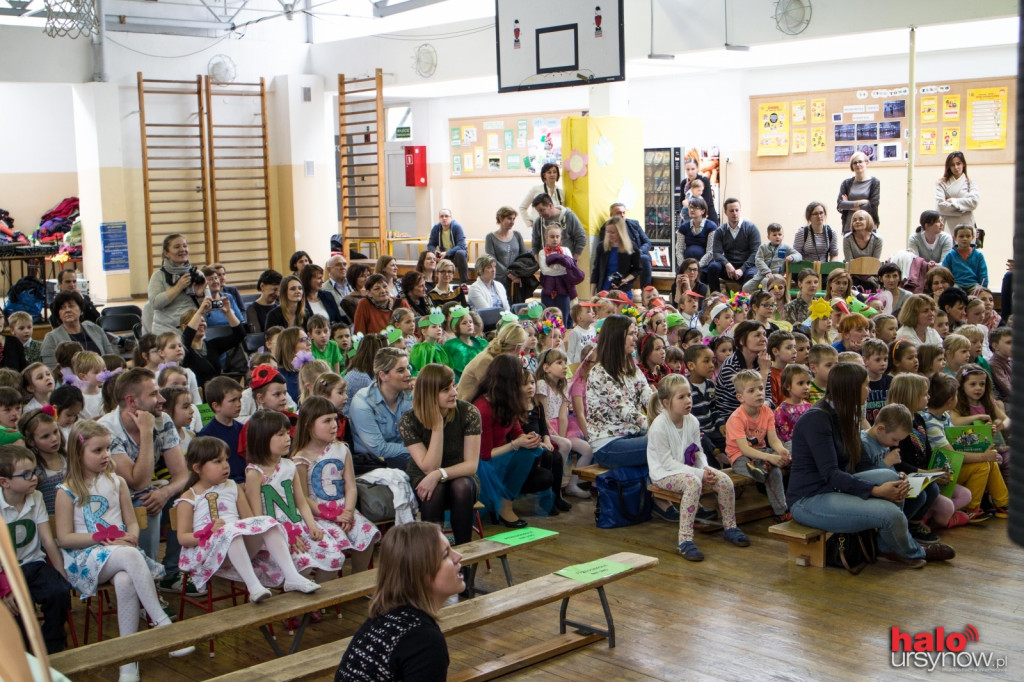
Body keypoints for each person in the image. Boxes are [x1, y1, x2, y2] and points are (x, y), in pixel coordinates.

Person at [56, 421, 196, 681]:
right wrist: (105, 537)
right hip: (85, 559)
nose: (106, 455)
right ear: (78, 453)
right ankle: (165, 628)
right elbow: (64, 538)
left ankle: (128, 665)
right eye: (97, 450)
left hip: (119, 554)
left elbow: (130, 520)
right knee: (129, 556)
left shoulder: (117, 481)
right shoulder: (67, 491)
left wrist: (130, 534)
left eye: (108, 448)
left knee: (125, 581)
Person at [786, 363, 956, 569]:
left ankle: (888, 545)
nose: (870, 390)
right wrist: (874, 490)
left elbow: (859, 463)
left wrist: (894, 478)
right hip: (809, 498)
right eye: (866, 385)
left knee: (890, 478)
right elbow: (830, 474)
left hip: (833, 487)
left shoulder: (845, 413)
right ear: (850, 389)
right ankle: (914, 551)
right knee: (889, 513)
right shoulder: (817, 420)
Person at [175, 436, 321, 602]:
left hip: (239, 547)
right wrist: (208, 532)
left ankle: (292, 577)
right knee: (230, 531)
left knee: (265, 523)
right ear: (197, 468)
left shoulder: (232, 486)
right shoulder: (189, 497)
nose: (225, 465)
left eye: (226, 460)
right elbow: (182, 538)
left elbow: (251, 521)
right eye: (217, 461)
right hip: (208, 554)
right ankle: (254, 586)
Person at [335, 522, 464, 681]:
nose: (458, 556)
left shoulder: (384, 617)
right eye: (446, 555)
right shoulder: (424, 640)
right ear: (421, 572)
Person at [98, 368, 189, 586]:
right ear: (132, 400)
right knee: (146, 501)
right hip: (112, 501)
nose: (162, 399)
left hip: (146, 492)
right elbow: (138, 481)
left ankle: (170, 572)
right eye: (154, 394)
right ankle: (148, 583)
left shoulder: (163, 419)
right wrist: (146, 433)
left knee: (186, 497)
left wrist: (165, 492)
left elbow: (182, 474)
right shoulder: (107, 428)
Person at [646, 376, 749, 560]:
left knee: (724, 480)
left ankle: (730, 527)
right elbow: (667, 463)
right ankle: (685, 541)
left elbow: (698, 451)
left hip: (689, 470)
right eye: (681, 397)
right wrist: (700, 474)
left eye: (689, 395)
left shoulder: (692, 420)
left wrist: (707, 468)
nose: (688, 400)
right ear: (666, 402)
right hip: (664, 474)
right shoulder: (659, 426)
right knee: (693, 483)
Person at [0, 444, 72, 653]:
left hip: (34, 563)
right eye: (26, 474)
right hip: (6, 571)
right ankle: (24, 651)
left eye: (35, 471)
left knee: (59, 591)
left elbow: (48, 540)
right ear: (4, 482)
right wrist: (4, 589)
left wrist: (62, 573)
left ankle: (52, 644)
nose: (35, 477)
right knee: (18, 607)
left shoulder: (36, 497)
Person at [399, 364, 480, 546]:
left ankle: (464, 554)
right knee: (434, 491)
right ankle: (433, 554)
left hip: (459, 472)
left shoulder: (468, 412)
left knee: (462, 487)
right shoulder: (409, 420)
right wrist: (437, 425)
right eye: (445, 389)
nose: (454, 393)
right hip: (423, 474)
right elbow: (428, 467)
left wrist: (439, 474)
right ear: (428, 394)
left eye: (453, 386)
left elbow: (471, 465)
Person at [585, 315, 653, 470]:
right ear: (616, 336)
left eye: (635, 334)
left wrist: (669, 418)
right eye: (631, 334)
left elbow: (649, 397)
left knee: (676, 437)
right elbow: (626, 411)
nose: (635, 339)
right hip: (609, 444)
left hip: (632, 435)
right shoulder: (599, 373)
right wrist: (661, 427)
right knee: (664, 440)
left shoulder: (632, 368)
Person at [349, 347, 414, 470]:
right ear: (383, 375)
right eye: (401, 370)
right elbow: (379, 449)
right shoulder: (362, 402)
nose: (408, 374)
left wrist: (423, 396)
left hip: (406, 456)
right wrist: (417, 448)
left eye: (408, 368)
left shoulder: (411, 395)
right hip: (373, 462)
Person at [714, 321, 772, 428]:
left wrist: (764, 407)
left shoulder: (762, 361)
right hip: (732, 418)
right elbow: (747, 401)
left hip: (757, 415)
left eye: (764, 334)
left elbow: (767, 395)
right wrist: (764, 372)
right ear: (741, 341)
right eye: (757, 335)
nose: (764, 339)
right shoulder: (730, 366)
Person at [42, 291, 116, 367]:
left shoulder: (96, 329)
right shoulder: (51, 338)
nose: (67, 310)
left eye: (71, 306)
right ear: (59, 314)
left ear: (81, 311)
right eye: (62, 308)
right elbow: (52, 370)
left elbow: (111, 359)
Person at [456, 323, 528, 402]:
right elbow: (496, 392)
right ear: (516, 347)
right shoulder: (487, 360)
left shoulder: (496, 356)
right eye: (522, 347)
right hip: (468, 405)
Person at [700, 198, 760, 291]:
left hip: (747, 266)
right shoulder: (720, 230)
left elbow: (755, 253)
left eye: (737, 210)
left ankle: (739, 300)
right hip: (728, 267)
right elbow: (717, 253)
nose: (735, 213)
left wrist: (742, 269)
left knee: (752, 275)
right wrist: (727, 264)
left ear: (740, 211)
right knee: (712, 268)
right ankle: (716, 297)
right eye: (731, 211)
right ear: (725, 212)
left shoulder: (751, 228)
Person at [148, 233, 202, 335]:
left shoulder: (198, 274)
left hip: (194, 329)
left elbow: (207, 308)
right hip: (166, 333)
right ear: (166, 253)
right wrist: (178, 287)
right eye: (177, 247)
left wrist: (200, 295)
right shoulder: (158, 276)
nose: (183, 249)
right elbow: (155, 303)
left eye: (185, 246)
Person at [591, 215, 642, 298]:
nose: (609, 235)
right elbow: (596, 271)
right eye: (607, 232)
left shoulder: (631, 247)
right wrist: (592, 295)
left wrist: (626, 279)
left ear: (620, 232)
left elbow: (637, 269)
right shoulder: (601, 247)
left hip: (623, 290)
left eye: (612, 232)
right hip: (604, 290)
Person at [606, 203, 653, 287]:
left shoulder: (634, 224)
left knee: (644, 258)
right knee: (643, 259)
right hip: (623, 257)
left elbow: (647, 242)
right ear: (611, 215)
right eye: (619, 213)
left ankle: (646, 291)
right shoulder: (608, 228)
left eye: (624, 213)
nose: (622, 215)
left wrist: (638, 252)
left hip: (638, 255)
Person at [530, 193, 585, 259]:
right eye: (538, 211)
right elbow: (535, 244)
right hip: (546, 264)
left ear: (550, 205)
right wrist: (539, 262)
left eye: (542, 210)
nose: (540, 214)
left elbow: (581, 239)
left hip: (567, 263)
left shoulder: (569, 216)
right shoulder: (538, 222)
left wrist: (574, 261)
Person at [936, 151, 980, 233]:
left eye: (958, 163)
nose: (956, 167)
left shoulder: (970, 183)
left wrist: (953, 201)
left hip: (967, 224)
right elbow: (941, 207)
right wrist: (964, 208)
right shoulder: (942, 183)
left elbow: (974, 202)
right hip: (949, 226)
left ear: (963, 164)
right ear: (949, 167)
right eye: (952, 165)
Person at [837, 151, 881, 233]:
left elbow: (872, 206)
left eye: (860, 161)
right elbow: (840, 205)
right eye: (854, 163)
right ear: (852, 166)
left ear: (866, 163)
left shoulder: (874, 182)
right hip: (850, 227)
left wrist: (849, 204)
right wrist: (860, 202)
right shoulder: (846, 183)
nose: (857, 165)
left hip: (869, 227)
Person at [941, 225, 988, 290]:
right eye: (961, 236)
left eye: (968, 236)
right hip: (956, 285)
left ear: (973, 237)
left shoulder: (979, 255)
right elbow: (944, 274)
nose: (965, 239)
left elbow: (983, 274)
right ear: (955, 238)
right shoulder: (950, 255)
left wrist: (982, 287)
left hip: (974, 285)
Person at [427, 209, 469, 282]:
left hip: (457, 256)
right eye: (442, 216)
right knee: (427, 255)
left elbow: (461, 245)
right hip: (443, 255)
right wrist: (435, 252)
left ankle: (463, 282)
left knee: (461, 253)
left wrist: (447, 253)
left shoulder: (457, 227)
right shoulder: (436, 228)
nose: (444, 218)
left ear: (451, 217)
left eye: (446, 216)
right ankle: (430, 281)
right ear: (439, 218)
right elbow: (431, 244)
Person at [518, 162, 564, 228]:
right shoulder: (536, 189)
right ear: (544, 175)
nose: (552, 174)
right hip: (540, 227)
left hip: (556, 229)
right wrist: (530, 223)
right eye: (549, 172)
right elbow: (522, 207)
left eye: (554, 172)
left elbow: (562, 211)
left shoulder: (561, 192)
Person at [676, 197, 718, 266]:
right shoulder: (683, 227)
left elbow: (710, 252)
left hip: (705, 264)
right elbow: (679, 250)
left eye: (695, 207)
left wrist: (698, 266)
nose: (692, 210)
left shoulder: (711, 227)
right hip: (687, 264)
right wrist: (683, 266)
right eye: (690, 207)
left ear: (703, 211)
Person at [679, 157, 719, 224]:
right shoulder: (684, 182)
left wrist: (688, 204)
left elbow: (706, 201)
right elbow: (681, 200)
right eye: (688, 169)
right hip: (689, 218)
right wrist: (681, 212)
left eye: (693, 169)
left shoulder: (704, 180)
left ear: (697, 169)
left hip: (707, 218)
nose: (690, 172)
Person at [246, 269, 281, 333]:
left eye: (279, 290)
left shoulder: (280, 305)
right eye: (274, 289)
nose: (277, 294)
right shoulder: (252, 309)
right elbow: (257, 335)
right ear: (262, 286)